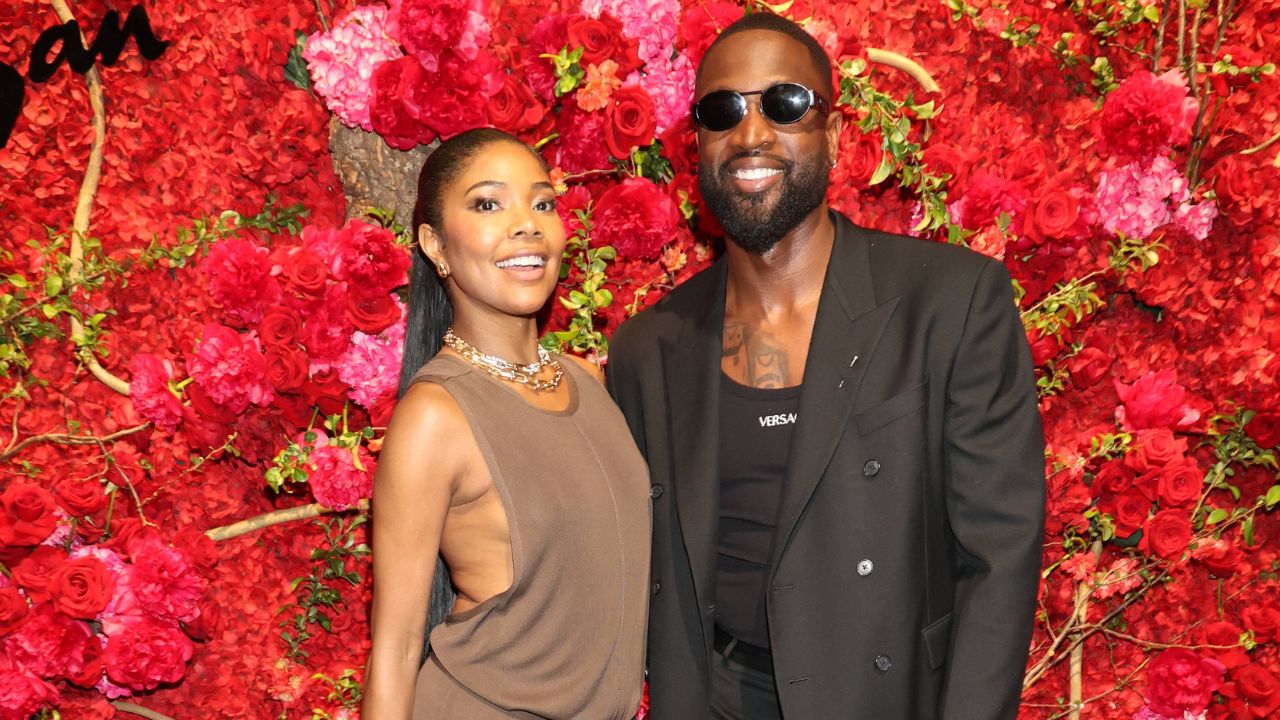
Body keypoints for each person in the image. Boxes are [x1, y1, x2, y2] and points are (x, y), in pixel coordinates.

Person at [606, 12, 1046, 720]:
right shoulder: (648, 349)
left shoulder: (952, 303)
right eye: (723, 112)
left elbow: (1000, 558)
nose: (750, 134)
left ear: (833, 133)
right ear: (698, 147)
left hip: (885, 697)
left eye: (784, 104)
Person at [363, 128, 650, 720]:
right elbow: (394, 649)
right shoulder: (435, 416)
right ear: (435, 246)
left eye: (542, 202)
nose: (527, 223)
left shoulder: (589, 383)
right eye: (488, 204)